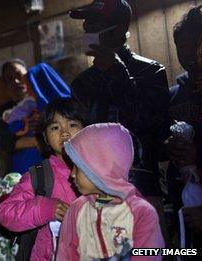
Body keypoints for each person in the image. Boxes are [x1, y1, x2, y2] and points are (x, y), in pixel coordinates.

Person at [69, 0, 170, 214]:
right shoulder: (82, 84)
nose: (87, 31)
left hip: (142, 184)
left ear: (119, 30)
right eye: (86, 26)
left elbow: (154, 128)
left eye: (94, 26)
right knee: (107, 244)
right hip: (97, 189)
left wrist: (116, 72)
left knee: (147, 244)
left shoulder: (150, 72)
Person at [0, 98, 89, 260]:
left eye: (72, 125)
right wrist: (44, 209)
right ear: (45, 138)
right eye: (55, 127)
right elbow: (6, 214)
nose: (65, 132)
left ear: (86, 130)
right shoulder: (39, 176)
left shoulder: (100, 170)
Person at [57, 123, 164, 260]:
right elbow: (66, 254)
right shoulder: (77, 210)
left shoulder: (140, 212)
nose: (71, 174)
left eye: (78, 167)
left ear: (100, 167)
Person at [165, 5, 202, 246]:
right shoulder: (173, 96)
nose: (187, 53)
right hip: (182, 200)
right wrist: (166, 147)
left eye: (193, 45)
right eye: (181, 46)